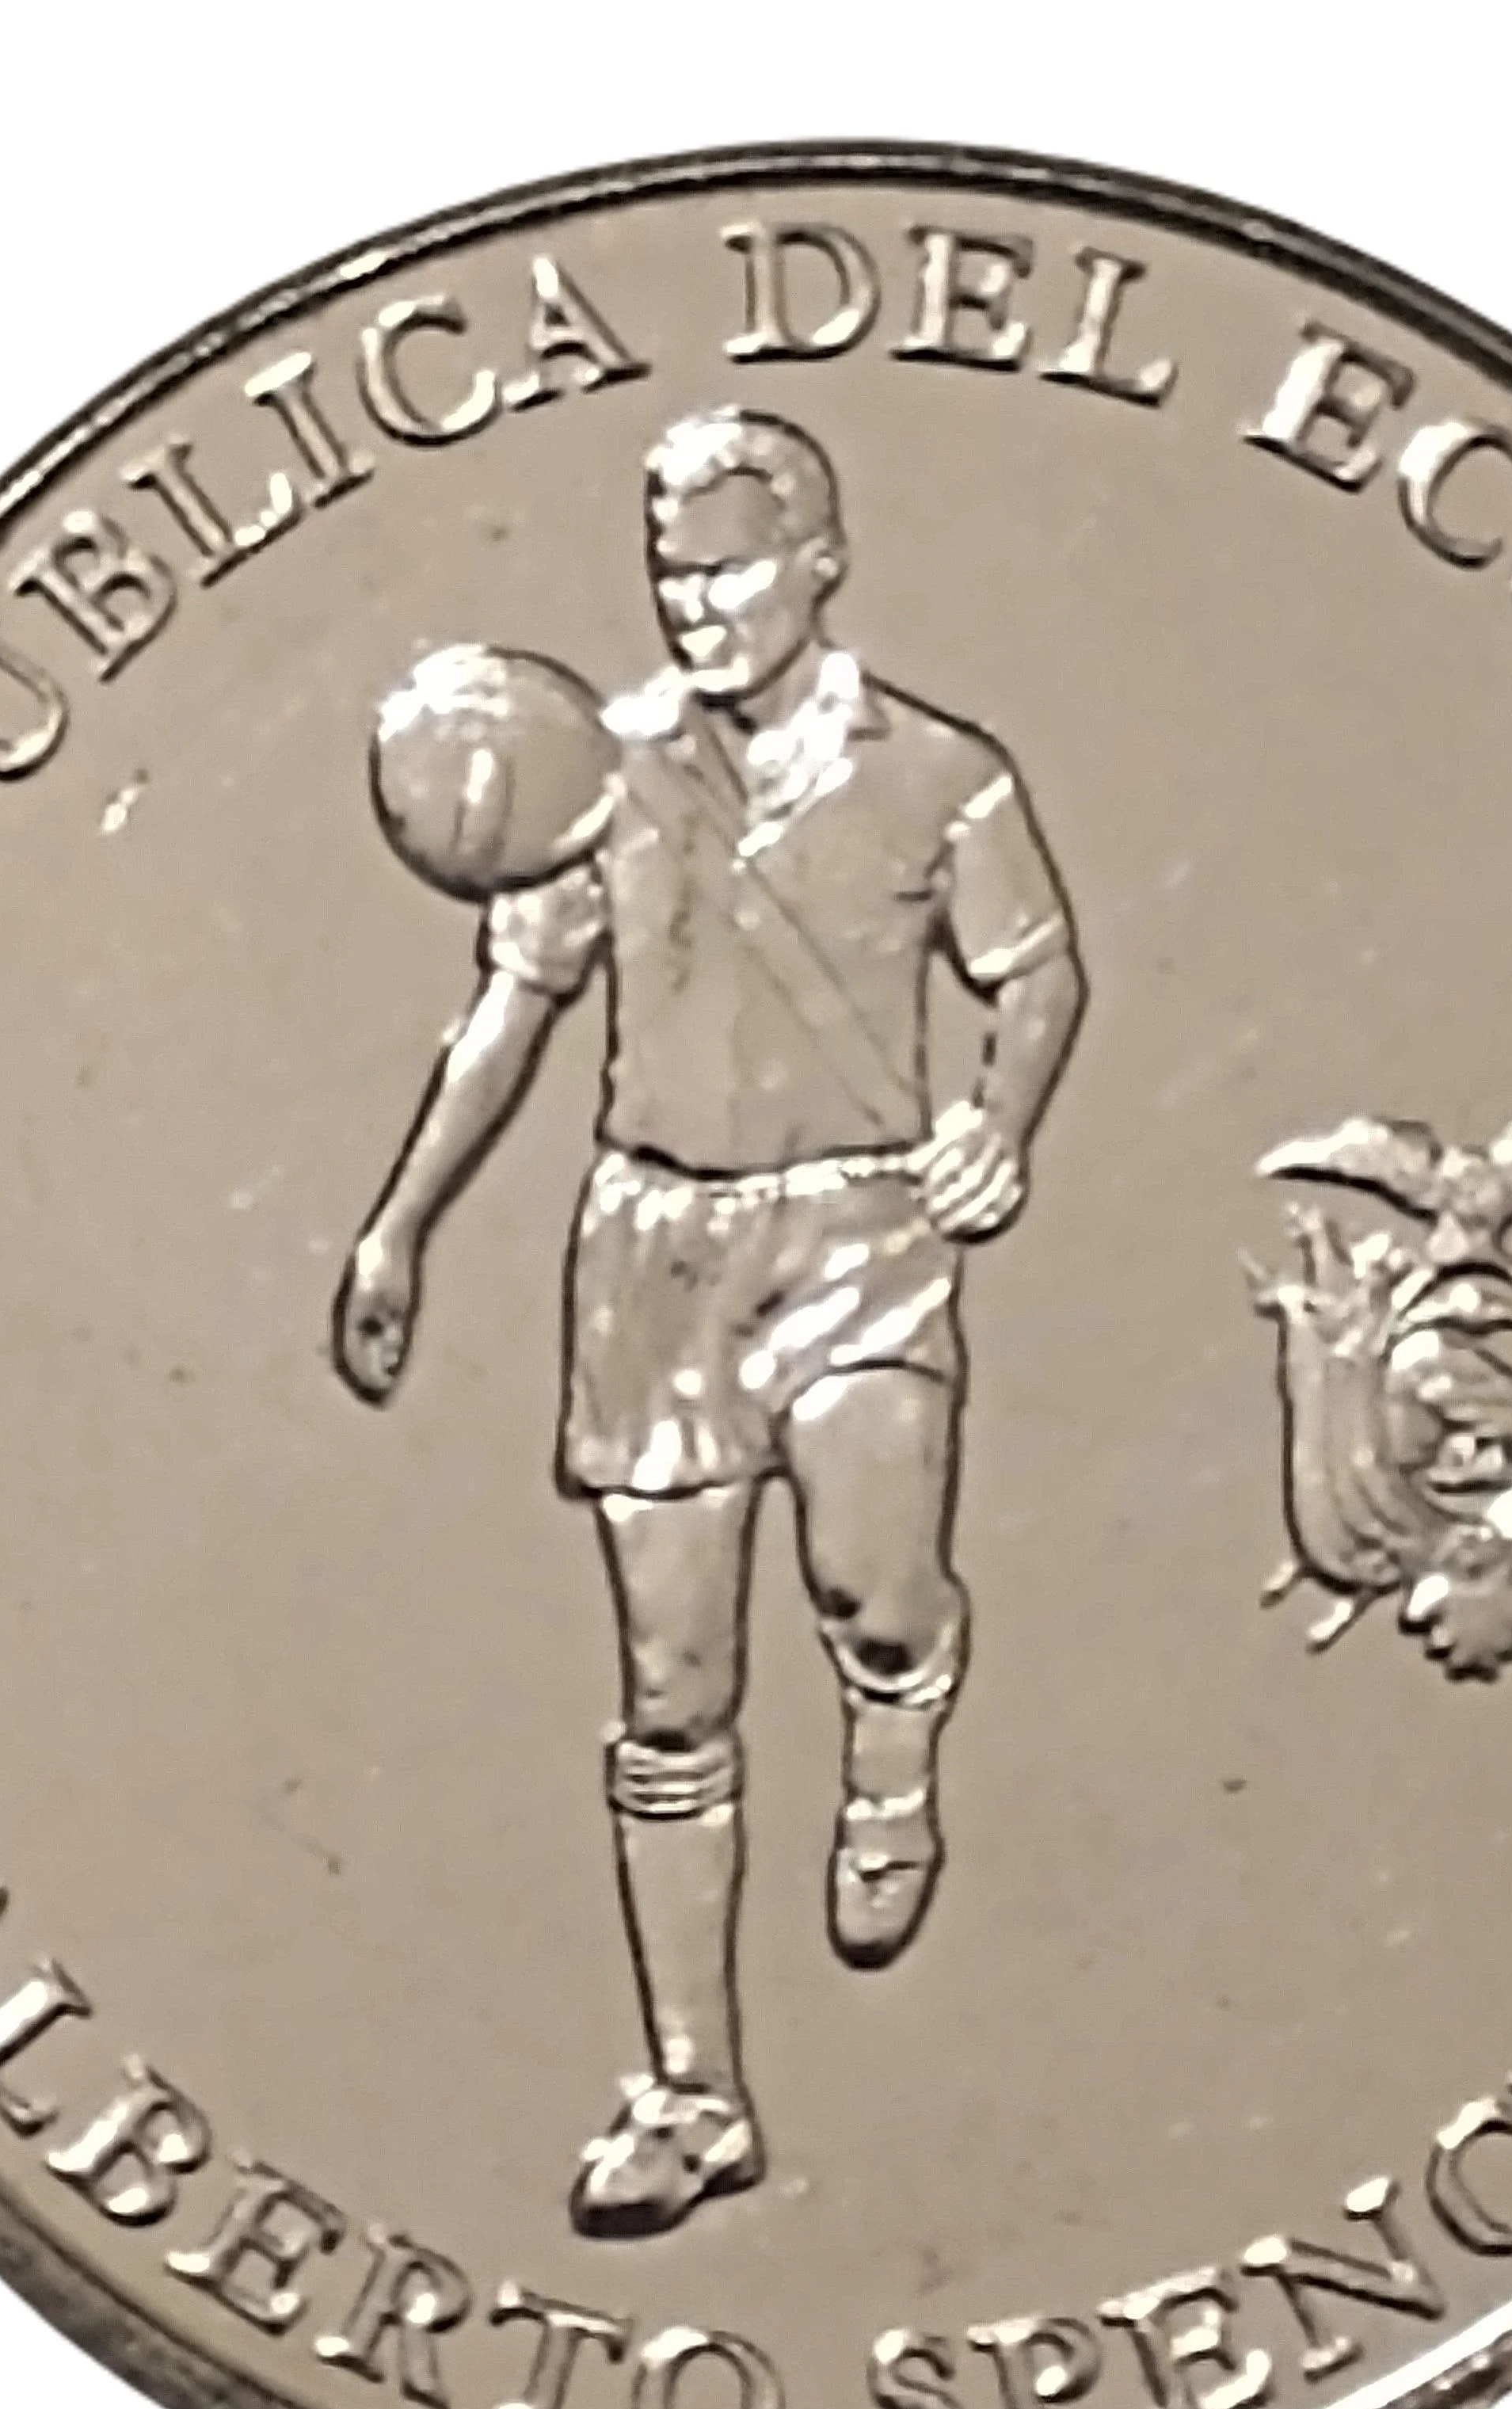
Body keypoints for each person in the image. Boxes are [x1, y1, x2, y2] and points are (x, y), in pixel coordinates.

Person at [335, 407, 1085, 2238]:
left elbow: (1037, 969)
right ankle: (694, 2096)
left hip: (860, 1236)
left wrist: (999, 1118)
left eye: (731, 570)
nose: (695, 606)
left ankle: (896, 1735)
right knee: (673, 1695)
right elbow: (509, 1020)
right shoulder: (595, 776)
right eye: (671, 576)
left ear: (819, 562)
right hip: (654, 1253)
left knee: (871, 1589)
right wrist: (398, 1227)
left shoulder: (943, 775)